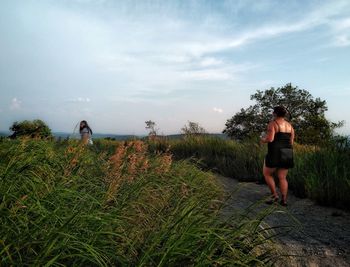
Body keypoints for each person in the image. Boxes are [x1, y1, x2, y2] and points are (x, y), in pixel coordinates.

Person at [260, 106, 294, 206]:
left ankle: (275, 196)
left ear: (274, 113)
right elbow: (291, 142)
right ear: (284, 114)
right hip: (287, 152)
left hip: (274, 152)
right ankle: (284, 200)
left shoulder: (273, 124)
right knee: (282, 177)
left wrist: (262, 139)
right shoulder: (290, 126)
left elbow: (270, 139)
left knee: (267, 174)